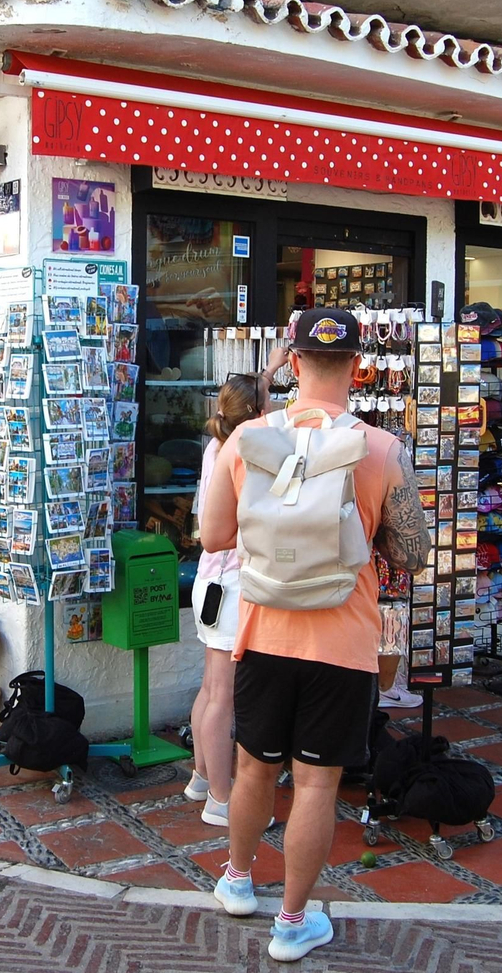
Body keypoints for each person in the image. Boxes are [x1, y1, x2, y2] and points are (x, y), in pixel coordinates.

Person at [200, 307, 430, 963]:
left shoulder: (249, 438)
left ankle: (237, 880)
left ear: (295, 362)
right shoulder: (381, 449)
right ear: (356, 364)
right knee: (317, 785)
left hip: (263, 634)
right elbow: (413, 554)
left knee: (253, 768)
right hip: (343, 643)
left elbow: (214, 536)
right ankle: (293, 923)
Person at [187, 347, 288, 827]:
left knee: (210, 688)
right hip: (228, 586)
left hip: (209, 582)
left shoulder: (217, 445)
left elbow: (250, 398)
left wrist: (271, 369)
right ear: (256, 415)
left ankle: (202, 777)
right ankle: (222, 801)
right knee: (223, 696)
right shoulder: (243, 455)